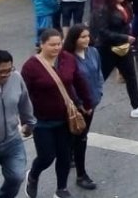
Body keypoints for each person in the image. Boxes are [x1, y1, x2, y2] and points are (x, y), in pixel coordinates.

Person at [21, 29, 94, 198]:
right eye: (52, 44)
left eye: (59, 44)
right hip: (41, 120)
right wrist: (25, 119)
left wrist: (86, 103)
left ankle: (61, 189)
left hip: (65, 118)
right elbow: (23, 94)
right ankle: (33, 175)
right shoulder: (31, 66)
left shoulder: (67, 59)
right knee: (46, 156)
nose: (56, 48)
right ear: (42, 44)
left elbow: (78, 81)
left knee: (64, 155)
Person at [94, 0, 138, 119]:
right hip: (107, 49)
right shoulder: (104, 10)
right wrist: (124, 37)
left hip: (124, 48)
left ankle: (137, 106)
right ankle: (86, 105)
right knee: (99, 79)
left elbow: (128, 24)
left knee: (131, 77)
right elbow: (102, 32)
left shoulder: (126, 6)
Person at [0, 50, 35, 198]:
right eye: (1, 72)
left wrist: (29, 123)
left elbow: (25, 101)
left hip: (12, 142)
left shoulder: (16, 78)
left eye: (9, 70)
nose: (6, 75)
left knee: (17, 177)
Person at [62, 25, 103, 191]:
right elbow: (69, 84)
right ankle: (81, 174)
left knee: (81, 138)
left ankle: (77, 166)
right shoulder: (67, 58)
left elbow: (99, 75)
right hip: (77, 106)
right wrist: (81, 104)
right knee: (79, 139)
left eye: (87, 36)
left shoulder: (93, 52)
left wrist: (97, 96)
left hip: (91, 103)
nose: (86, 39)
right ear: (74, 39)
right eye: (82, 37)